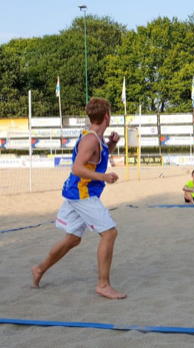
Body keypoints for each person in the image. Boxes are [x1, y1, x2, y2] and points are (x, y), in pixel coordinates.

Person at [31, 98, 126, 299]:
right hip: (83, 194)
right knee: (109, 233)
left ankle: (39, 269)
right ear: (107, 116)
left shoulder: (97, 139)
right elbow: (77, 168)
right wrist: (104, 177)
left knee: (73, 238)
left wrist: (111, 144)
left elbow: (94, 160)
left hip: (76, 192)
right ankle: (103, 284)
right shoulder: (90, 139)